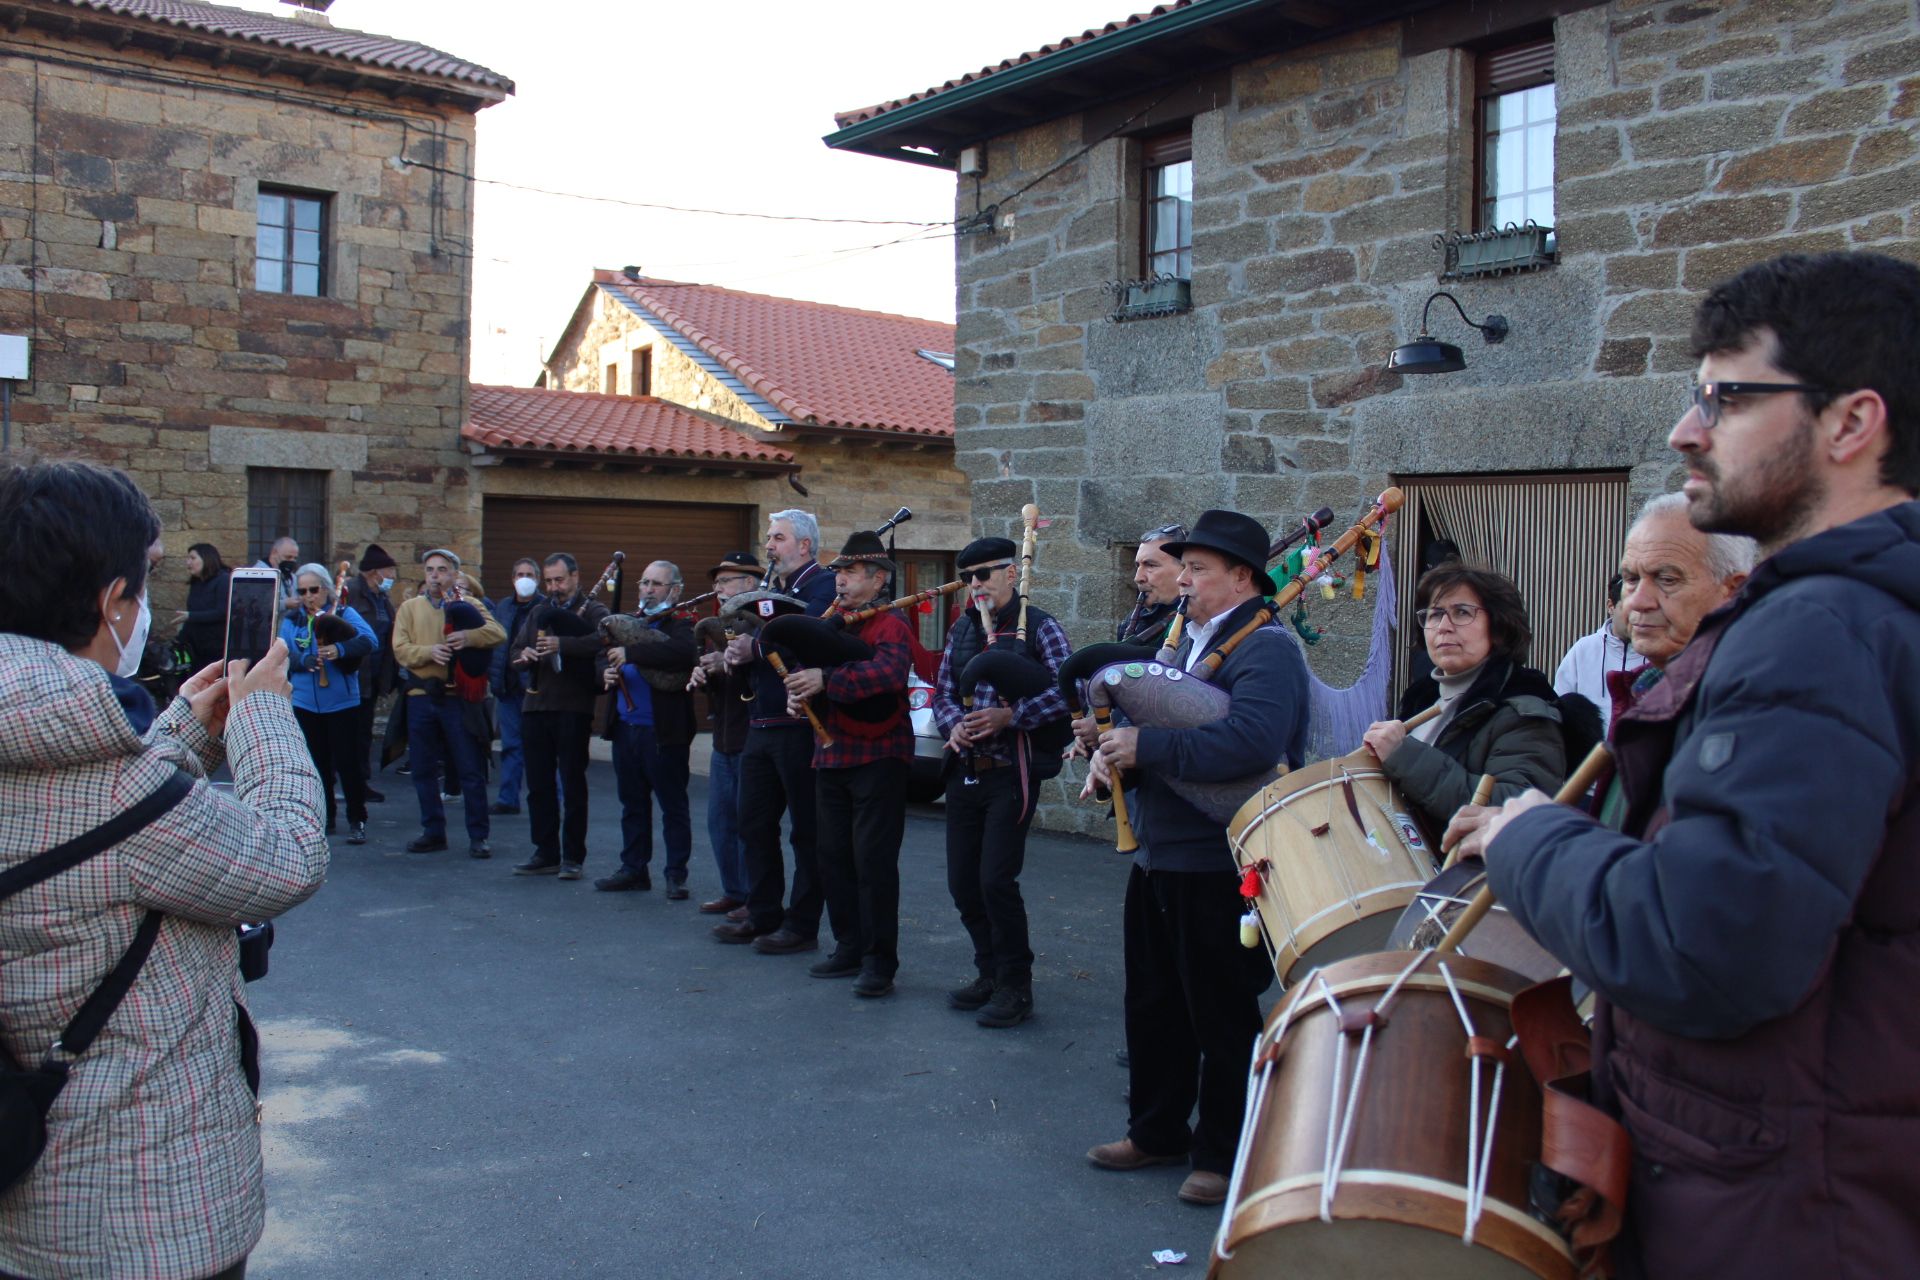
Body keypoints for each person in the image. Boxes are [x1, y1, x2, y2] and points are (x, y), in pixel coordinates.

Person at [1452, 252, 1920, 1278]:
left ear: (1850, 423)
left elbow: (1706, 945)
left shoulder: (1824, 632)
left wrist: (1531, 836)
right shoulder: (1864, 618)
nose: (1685, 429)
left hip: (1783, 1212)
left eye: (1727, 397)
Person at [0, 458, 328, 1280]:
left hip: (28, 1199)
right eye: (144, 583)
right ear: (112, 601)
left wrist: (183, 723)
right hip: (140, 1207)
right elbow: (287, 857)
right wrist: (263, 718)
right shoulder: (108, 783)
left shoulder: (46, 745)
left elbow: (100, 833)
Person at [1081, 509, 1307, 1207]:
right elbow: (1158, 721)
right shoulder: (1187, 639)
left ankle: (1222, 1152)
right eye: (1184, 565)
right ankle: (1155, 1131)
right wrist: (1112, 753)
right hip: (1160, 853)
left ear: (1243, 576)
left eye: (1199, 567)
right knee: (1153, 1004)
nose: (1184, 577)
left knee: (1220, 1012)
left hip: (1219, 860)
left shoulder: (1267, 647)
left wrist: (1146, 749)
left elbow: (1250, 743)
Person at [932, 535, 1072, 1028]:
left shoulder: (1041, 628)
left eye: (984, 574)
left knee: (995, 881)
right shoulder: (963, 628)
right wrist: (956, 725)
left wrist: (1007, 716)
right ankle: (988, 971)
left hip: (1012, 771)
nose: (975, 584)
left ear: (1012, 574)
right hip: (966, 770)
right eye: (968, 577)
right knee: (962, 883)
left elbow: (1065, 690)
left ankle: (1016, 986)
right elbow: (943, 690)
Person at [783, 530, 915, 997]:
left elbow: (888, 674)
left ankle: (880, 962)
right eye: (837, 572)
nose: (838, 580)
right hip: (831, 752)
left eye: (850, 572)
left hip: (879, 754)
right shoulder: (829, 621)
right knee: (833, 856)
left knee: (873, 861)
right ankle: (848, 946)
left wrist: (826, 679)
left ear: (878, 580)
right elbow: (810, 676)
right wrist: (801, 695)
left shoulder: (891, 625)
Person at [1360, 563, 1568, 839]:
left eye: (1461, 613)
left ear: (1498, 626)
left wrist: (1404, 756)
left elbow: (1513, 809)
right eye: (1434, 615)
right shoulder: (1419, 701)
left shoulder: (1524, 712)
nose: (1443, 627)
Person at [711, 510, 837, 952]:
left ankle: (801, 926)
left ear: (804, 545)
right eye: (769, 537)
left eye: (778, 537)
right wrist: (735, 656)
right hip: (761, 722)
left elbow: (810, 635)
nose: (769, 545)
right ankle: (763, 913)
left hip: (800, 724)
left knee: (806, 831)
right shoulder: (773, 590)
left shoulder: (824, 587)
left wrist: (756, 647)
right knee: (753, 824)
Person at [391, 548, 505, 859]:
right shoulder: (410, 608)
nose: (436, 576)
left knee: (469, 768)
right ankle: (433, 831)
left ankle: (479, 836)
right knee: (424, 769)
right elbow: (400, 649)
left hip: (457, 699)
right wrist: (430, 652)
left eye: (442, 570)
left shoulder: (468, 604)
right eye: (430, 570)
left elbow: (497, 633)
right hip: (421, 696)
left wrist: (468, 637)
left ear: (454, 575)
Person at [595, 560, 697, 897]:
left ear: (675, 590)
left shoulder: (681, 623)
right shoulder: (631, 622)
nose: (649, 590)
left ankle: (675, 874)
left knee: (672, 805)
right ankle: (634, 868)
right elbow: (603, 657)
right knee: (633, 804)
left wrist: (631, 653)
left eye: (657, 584)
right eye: (645, 583)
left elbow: (683, 652)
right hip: (627, 728)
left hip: (663, 732)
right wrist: (606, 674)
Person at [509, 553, 609, 880]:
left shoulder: (594, 610)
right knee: (538, 784)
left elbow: (605, 639)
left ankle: (573, 857)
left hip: (572, 706)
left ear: (575, 576)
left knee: (572, 783)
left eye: (560, 580)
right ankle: (545, 851)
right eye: (549, 581)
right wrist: (523, 654)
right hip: (536, 705)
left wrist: (562, 644)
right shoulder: (539, 610)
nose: (554, 587)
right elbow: (515, 648)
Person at [281, 563, 378, 845]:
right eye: (302, 591)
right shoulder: (293, 619)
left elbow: (370, 640)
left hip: (341, 702)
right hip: (305, 702)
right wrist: (303, 661)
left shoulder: (344, 613)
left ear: (325, 589)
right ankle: (326, 817)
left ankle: (357, 818)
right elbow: (283, 653)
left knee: (349, 763)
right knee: (316, 764)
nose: (308, 596)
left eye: (313, 589)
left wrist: (340, 649)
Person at [687, 552, 762, 916]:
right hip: (723, 736)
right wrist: (705, 675)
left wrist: (726, 664)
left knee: (749, 823)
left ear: (749, 583)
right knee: (720, 822)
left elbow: (763, 674)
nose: (718, 588)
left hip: (752, 736)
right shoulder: (716, 623)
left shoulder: (761, 620)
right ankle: (735, 890)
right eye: (716, 582)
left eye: (726, 581)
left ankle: (755, 897)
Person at [339, 544, 399, 803]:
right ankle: (337, 784)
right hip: (353, 675)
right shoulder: (350, 592)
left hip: (372, 677)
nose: (393, 576)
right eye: (390, 570)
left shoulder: (382, 598)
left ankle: (360, 783)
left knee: (363, 733)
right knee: (346, 734)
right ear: (375, 572)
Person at [1551, 573, 1644, 726]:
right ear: (1610, 606)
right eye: (1629, 607)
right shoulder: (1583, 650)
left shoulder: (1657, 653)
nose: (1636, 616)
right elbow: (1560, 704)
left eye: (1640, 608)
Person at [488, 557, 542, 816]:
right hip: (508, 688)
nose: (525, 579)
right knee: (511, 745)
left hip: (535, 688)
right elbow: (497, 645)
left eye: (530, 574)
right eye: (520, 574)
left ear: (538, 580)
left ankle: (547, 799)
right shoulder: (504, 607)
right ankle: (508, 798)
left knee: (543, 748)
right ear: (512, 579)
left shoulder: (544, 607)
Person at [1118, 521, 1186, 645]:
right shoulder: (1132, 623)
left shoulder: (1198, 624)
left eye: (1150, 565)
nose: (1138, 578)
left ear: (1184, 568)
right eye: (1137, 566)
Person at [173, 542, 231, 673]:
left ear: (206, 558)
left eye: (192, 558)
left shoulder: (223, 580)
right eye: (187, 559)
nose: (188, 563)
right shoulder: (196, 582)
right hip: (196, 648)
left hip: (216, 648)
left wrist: (190, 616)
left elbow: (223, 612)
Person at [255, 535, 300, 612]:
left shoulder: (291, 576)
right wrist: (284, 604)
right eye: (288, 557)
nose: (292, 561)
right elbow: (256, 606)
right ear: (274, 552)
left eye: (295, 558)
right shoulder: (257, 575)